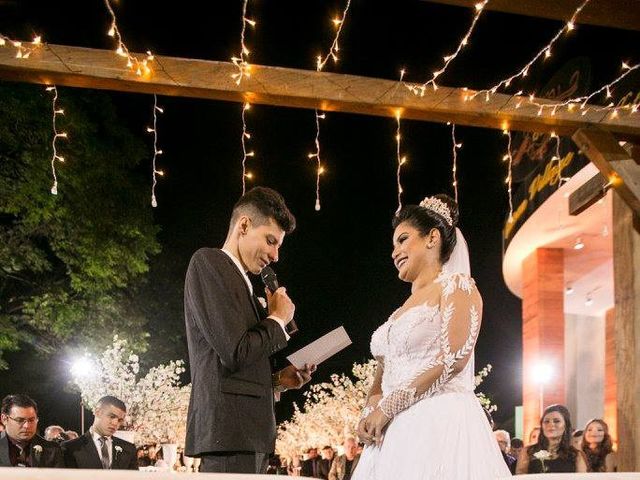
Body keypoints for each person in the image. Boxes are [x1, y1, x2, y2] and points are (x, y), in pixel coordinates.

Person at [353, 195, 509, 479]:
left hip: (437, 424)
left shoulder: (456, 286)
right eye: (392, 245)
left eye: (402, 240)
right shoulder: (399, 312)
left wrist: (389, 407)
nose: (394, 252)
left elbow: (454, 359)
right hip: (389, 436)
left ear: (432, 238)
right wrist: (369, 413)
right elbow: (383, 374)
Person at [184, 186, 315, 473]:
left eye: (278, 245)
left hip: (249, 437)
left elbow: (236, 368)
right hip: (229, 435)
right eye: (271, 240)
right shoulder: (210, 262)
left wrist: (279, 380)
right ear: (244, 225)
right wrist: (277, 319)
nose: (275, 255)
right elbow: (235, 351)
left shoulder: (243, 281)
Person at [62, 395, 138, 470]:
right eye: (111, 416)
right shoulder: (71, 448)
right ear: (98, 412)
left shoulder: (129, 449)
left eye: (120, 420)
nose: (115, 423)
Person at [515, 404, 587, 474]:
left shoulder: (576, 455)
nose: (551, 425)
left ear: (566, 426)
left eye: (556, 421)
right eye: (546, 421)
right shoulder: (528, 452)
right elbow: (520, 477)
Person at [0, 394, 64, 468]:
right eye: (20, 420)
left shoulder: (52, 450)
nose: (27, 426)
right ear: (4, 419)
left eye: (31, 420)